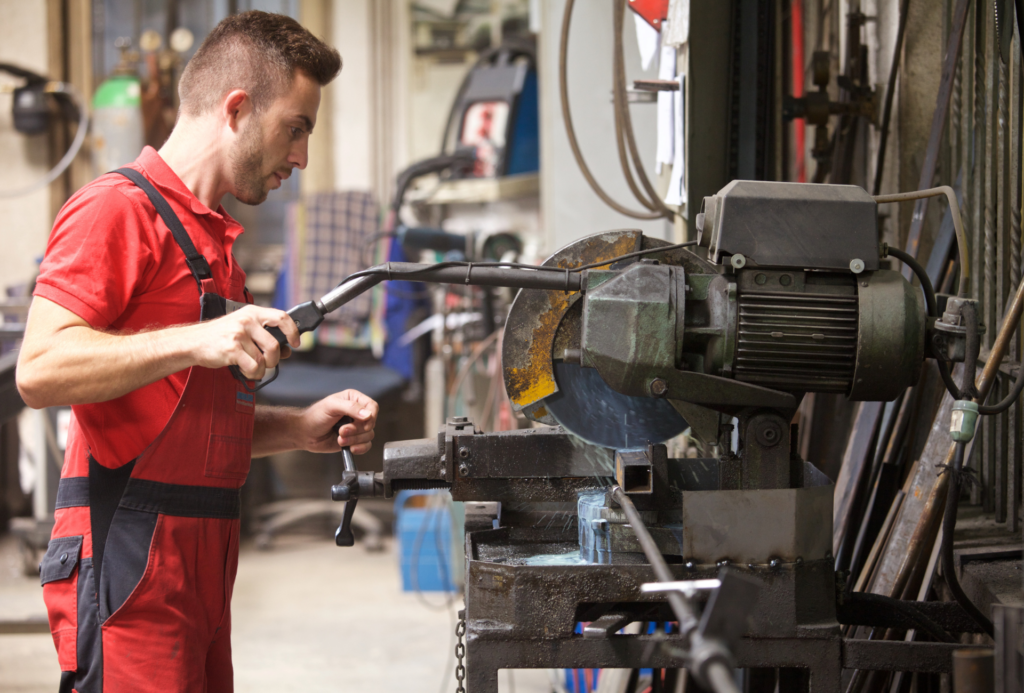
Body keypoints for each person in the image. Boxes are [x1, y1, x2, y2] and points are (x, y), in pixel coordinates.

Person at [15, 12, 376, 693]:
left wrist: (300, 428)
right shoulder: (116, 211)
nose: (300, 156)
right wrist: (198, 338)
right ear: (237, 109)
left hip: (206, 554)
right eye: (295, 128)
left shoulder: (215, 248)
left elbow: (185, 420)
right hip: (130, 554)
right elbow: (38, 370)